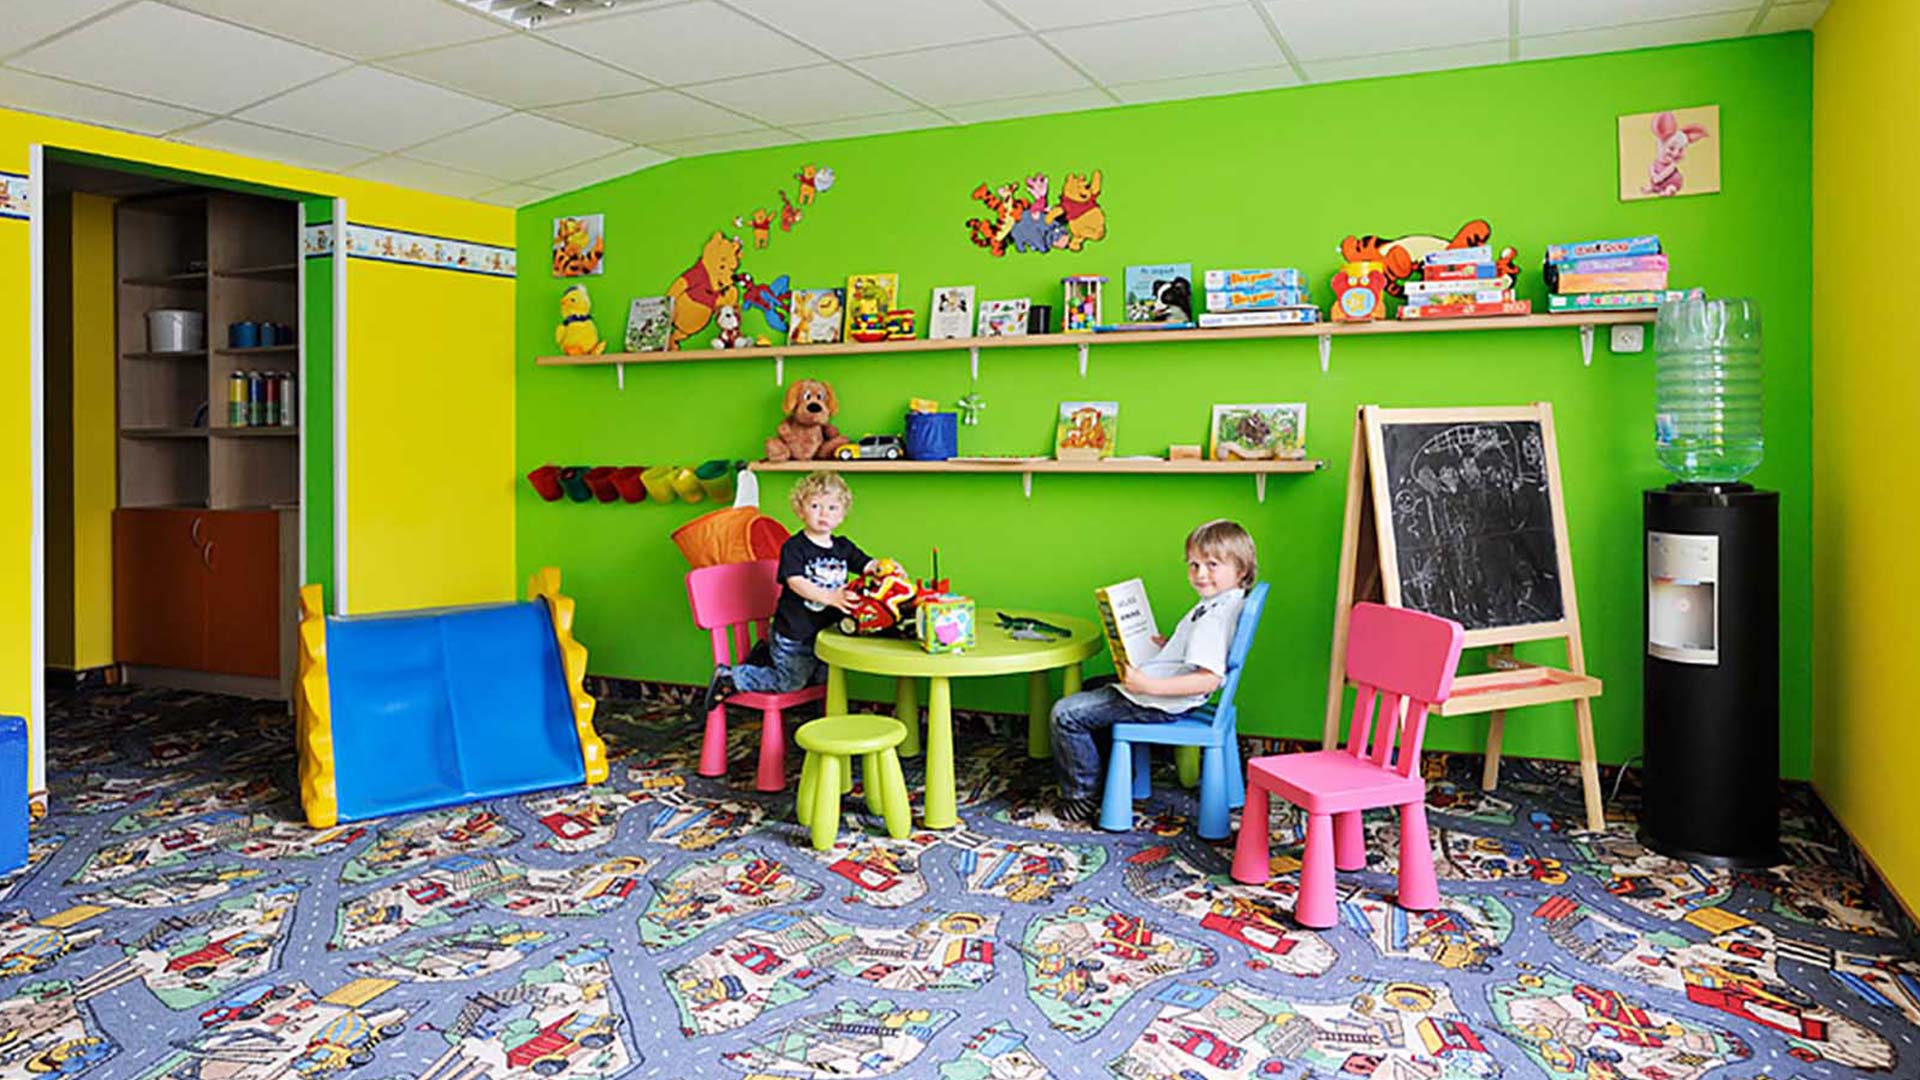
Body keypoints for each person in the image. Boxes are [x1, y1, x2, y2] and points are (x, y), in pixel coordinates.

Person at [1049, 519, 1257, 821]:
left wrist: (1148, 686)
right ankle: (1110, 772)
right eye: (1194, 565)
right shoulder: (1225, 602)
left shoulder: (1214, 620)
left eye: (1212, 565)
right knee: (1094, 685)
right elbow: (1203, 653)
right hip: (1171, 693)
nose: (1200, 574)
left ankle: (1082, 794)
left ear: (1241, 570)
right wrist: (1172, 645)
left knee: (1065, 714)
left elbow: (1209, 679)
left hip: (1162, 700)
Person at [704, 471, 875, 709]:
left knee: (826, 678)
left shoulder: (843, 547)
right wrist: (829, 597)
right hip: (795, 633)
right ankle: (732, 677)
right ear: (800, 509)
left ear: (842, 514)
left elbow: (867, 564)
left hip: (825, 632)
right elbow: (795, 581)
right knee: (790, 682)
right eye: (815, 506)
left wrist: (882, 567)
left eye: (832, 507)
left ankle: (767, 659)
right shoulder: (795, 547)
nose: (824, 513)